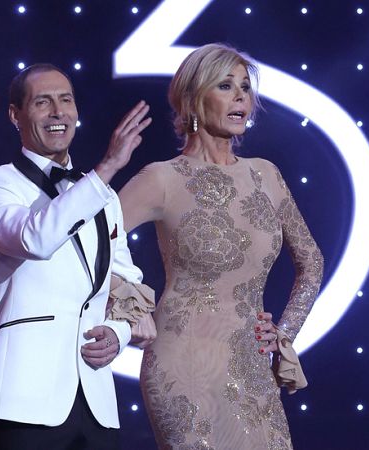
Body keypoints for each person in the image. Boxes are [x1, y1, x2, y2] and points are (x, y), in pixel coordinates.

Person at [118, 43, 325, 449]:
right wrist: (130, 306)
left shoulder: (266, 176)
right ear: (194, 100)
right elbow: (92, 242)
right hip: (184, 361)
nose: (240, 97)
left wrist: (283, 334)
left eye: (245, 88)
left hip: (251, 366)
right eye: (226, 86)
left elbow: (312, 261)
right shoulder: (162, 178)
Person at [0, 63, 157, 450]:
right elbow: (35, 239)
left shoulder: (102, 197)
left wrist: (119, 333)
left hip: (96, 398)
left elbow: (129, 284)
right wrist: (104, 170)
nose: (58, 112)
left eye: (66, 100)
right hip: (26, 398)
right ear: (15, 115)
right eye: (43, 102)